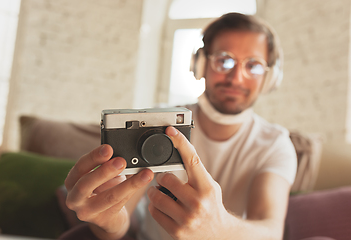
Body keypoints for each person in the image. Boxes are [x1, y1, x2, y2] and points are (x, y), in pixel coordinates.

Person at [61, 12, 297, 240]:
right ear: (200, 64)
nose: (236, 78)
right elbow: (119, 219)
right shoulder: (159, 122)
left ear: (269, 78)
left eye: (253, 66)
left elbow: (270, 231)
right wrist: (108, 222)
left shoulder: (275, 144)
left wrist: (220, 228)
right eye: (224, 60)